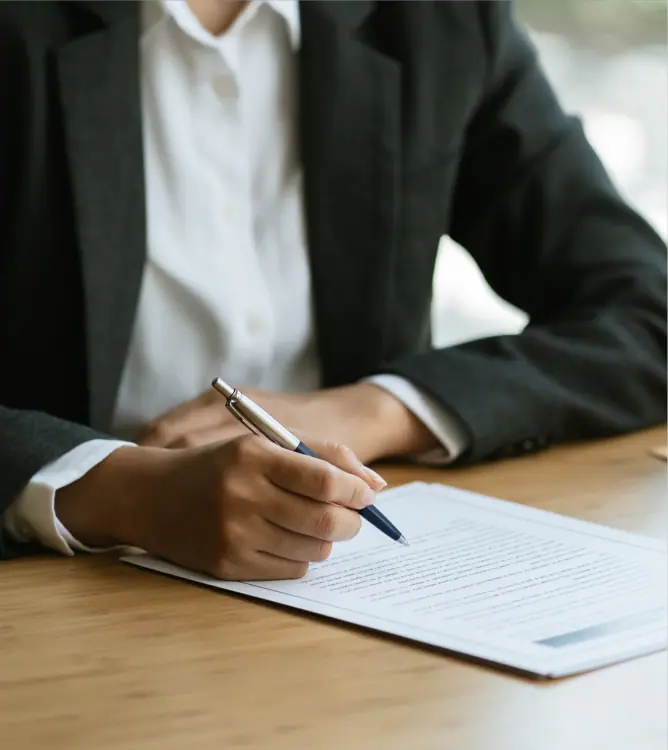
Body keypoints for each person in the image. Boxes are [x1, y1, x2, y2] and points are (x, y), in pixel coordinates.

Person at [0, 0, 665, 577]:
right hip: (59, 597)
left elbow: (647, 308)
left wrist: (376, 409)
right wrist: (118, 491)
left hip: (338, 586)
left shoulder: (439, 18)